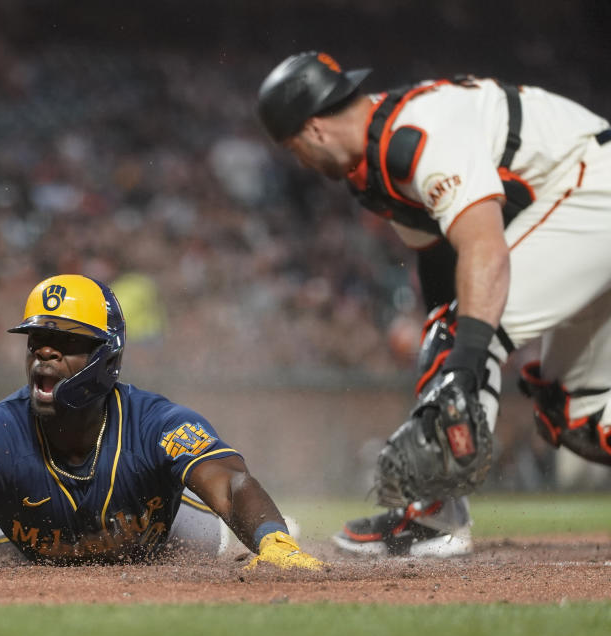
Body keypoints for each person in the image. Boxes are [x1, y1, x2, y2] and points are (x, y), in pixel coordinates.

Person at [256, 51, 611, 557]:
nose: (300, 162)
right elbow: (439, 263)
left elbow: (483, 246)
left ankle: (433, 516)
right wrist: (440, 364)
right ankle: (434, 509)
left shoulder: (416, 135)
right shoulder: (374, 164)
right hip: (588, 198)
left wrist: (461, 360)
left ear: (313, 130)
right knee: (581, 416)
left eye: (294, 148)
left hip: (597, 186)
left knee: (463, 335)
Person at [0, 274, 322, 569]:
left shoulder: (157, 422)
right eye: (37, 338)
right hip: (26, 542)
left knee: (212, 541)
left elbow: (231, 481)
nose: (44, 349)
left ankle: (276, 529)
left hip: (158, 537)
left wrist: (271, 541)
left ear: (107, 359)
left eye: (66, 340)